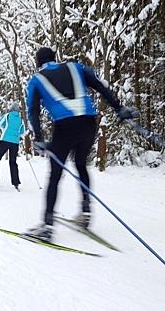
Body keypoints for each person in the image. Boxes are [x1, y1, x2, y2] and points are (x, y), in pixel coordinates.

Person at [26, 47, 139, 241]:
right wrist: (119, 108)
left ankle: (46, 226)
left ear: (38, 63)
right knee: (80, 165)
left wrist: (38, 138)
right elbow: (99, 85)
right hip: (88, 122)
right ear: (55, 58)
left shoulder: (37, 80)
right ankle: (85, 213)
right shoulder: (75, 67)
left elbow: (33, 110)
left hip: (64, 126)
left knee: (55, 175)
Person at [0, 102, 26, 189]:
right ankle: (16, 182)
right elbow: (22, 132)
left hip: (5, 141)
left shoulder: (7, 116)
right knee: (13, 162)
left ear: (11, 109)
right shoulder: (21, 120)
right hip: (15, 143)